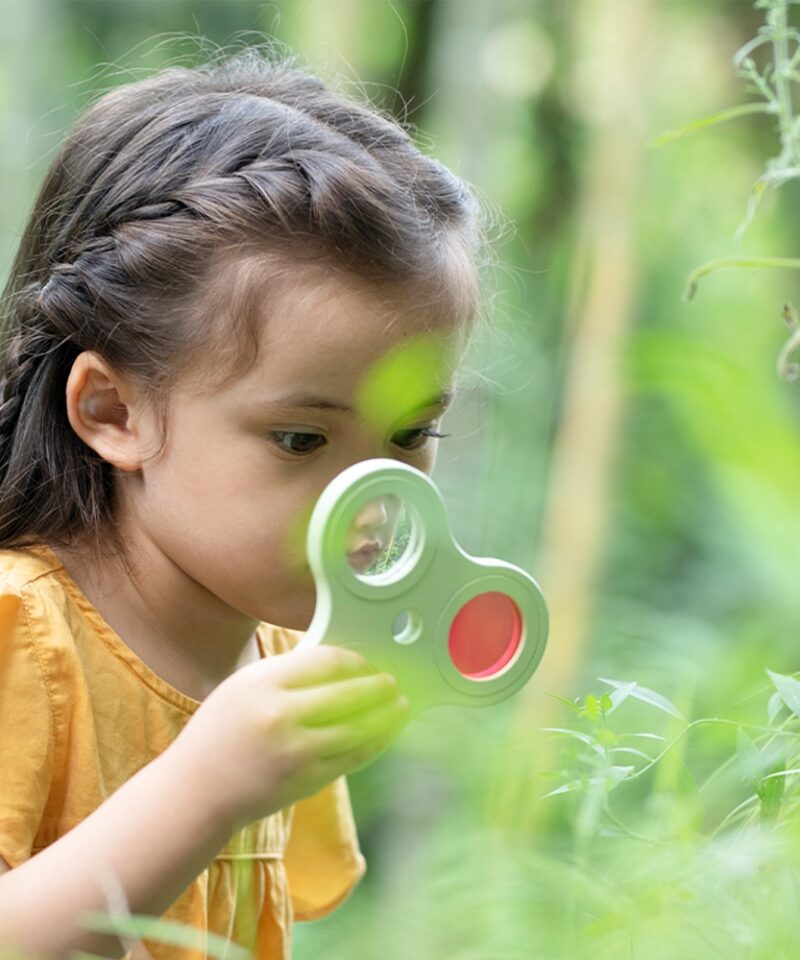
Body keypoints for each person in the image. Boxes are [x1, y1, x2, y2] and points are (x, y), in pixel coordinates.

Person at [0, 46, 480, 960]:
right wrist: (208, 784)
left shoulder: (280, 659)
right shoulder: (20, 630)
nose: (371, 501)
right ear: (114, 411)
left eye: (412, 433)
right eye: (301, 440)